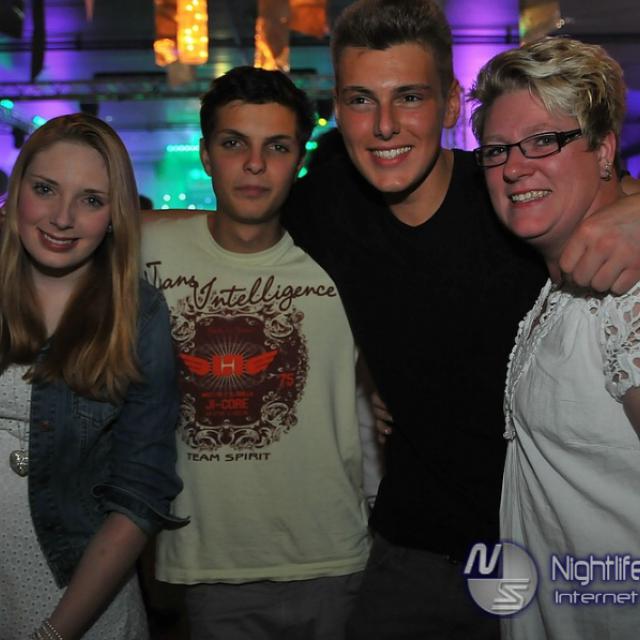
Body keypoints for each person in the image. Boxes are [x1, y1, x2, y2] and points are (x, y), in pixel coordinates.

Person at [280, 0, 640, 637]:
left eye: (409, 97)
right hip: (417, 550)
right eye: (361, 100)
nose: (384, 126)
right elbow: (222, 227)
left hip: (563, 559)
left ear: (449, 104)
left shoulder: (513, 193)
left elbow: (599, 185)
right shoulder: (327, 205)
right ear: (338, 108)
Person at [144, 66, 369, 640]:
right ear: (205, 155)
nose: (253, 164)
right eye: (233, 143)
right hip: (209, 567)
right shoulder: (146, 249)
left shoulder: (344, 254)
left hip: (334, 558)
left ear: (299, 159)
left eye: (277, 146)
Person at [469, 36, 640, 639]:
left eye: (544, 140)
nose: (514, 167)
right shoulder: (563, 282)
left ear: (603, 151)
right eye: (496, 149)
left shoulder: (627, 298)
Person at [0, 114, 184, 639]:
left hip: (79, 601)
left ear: (113, 217)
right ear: (16, 193)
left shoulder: (138, 316)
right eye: (45, 189)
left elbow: (139, 494)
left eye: (91, 200)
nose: (62, 218)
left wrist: (55, 634)